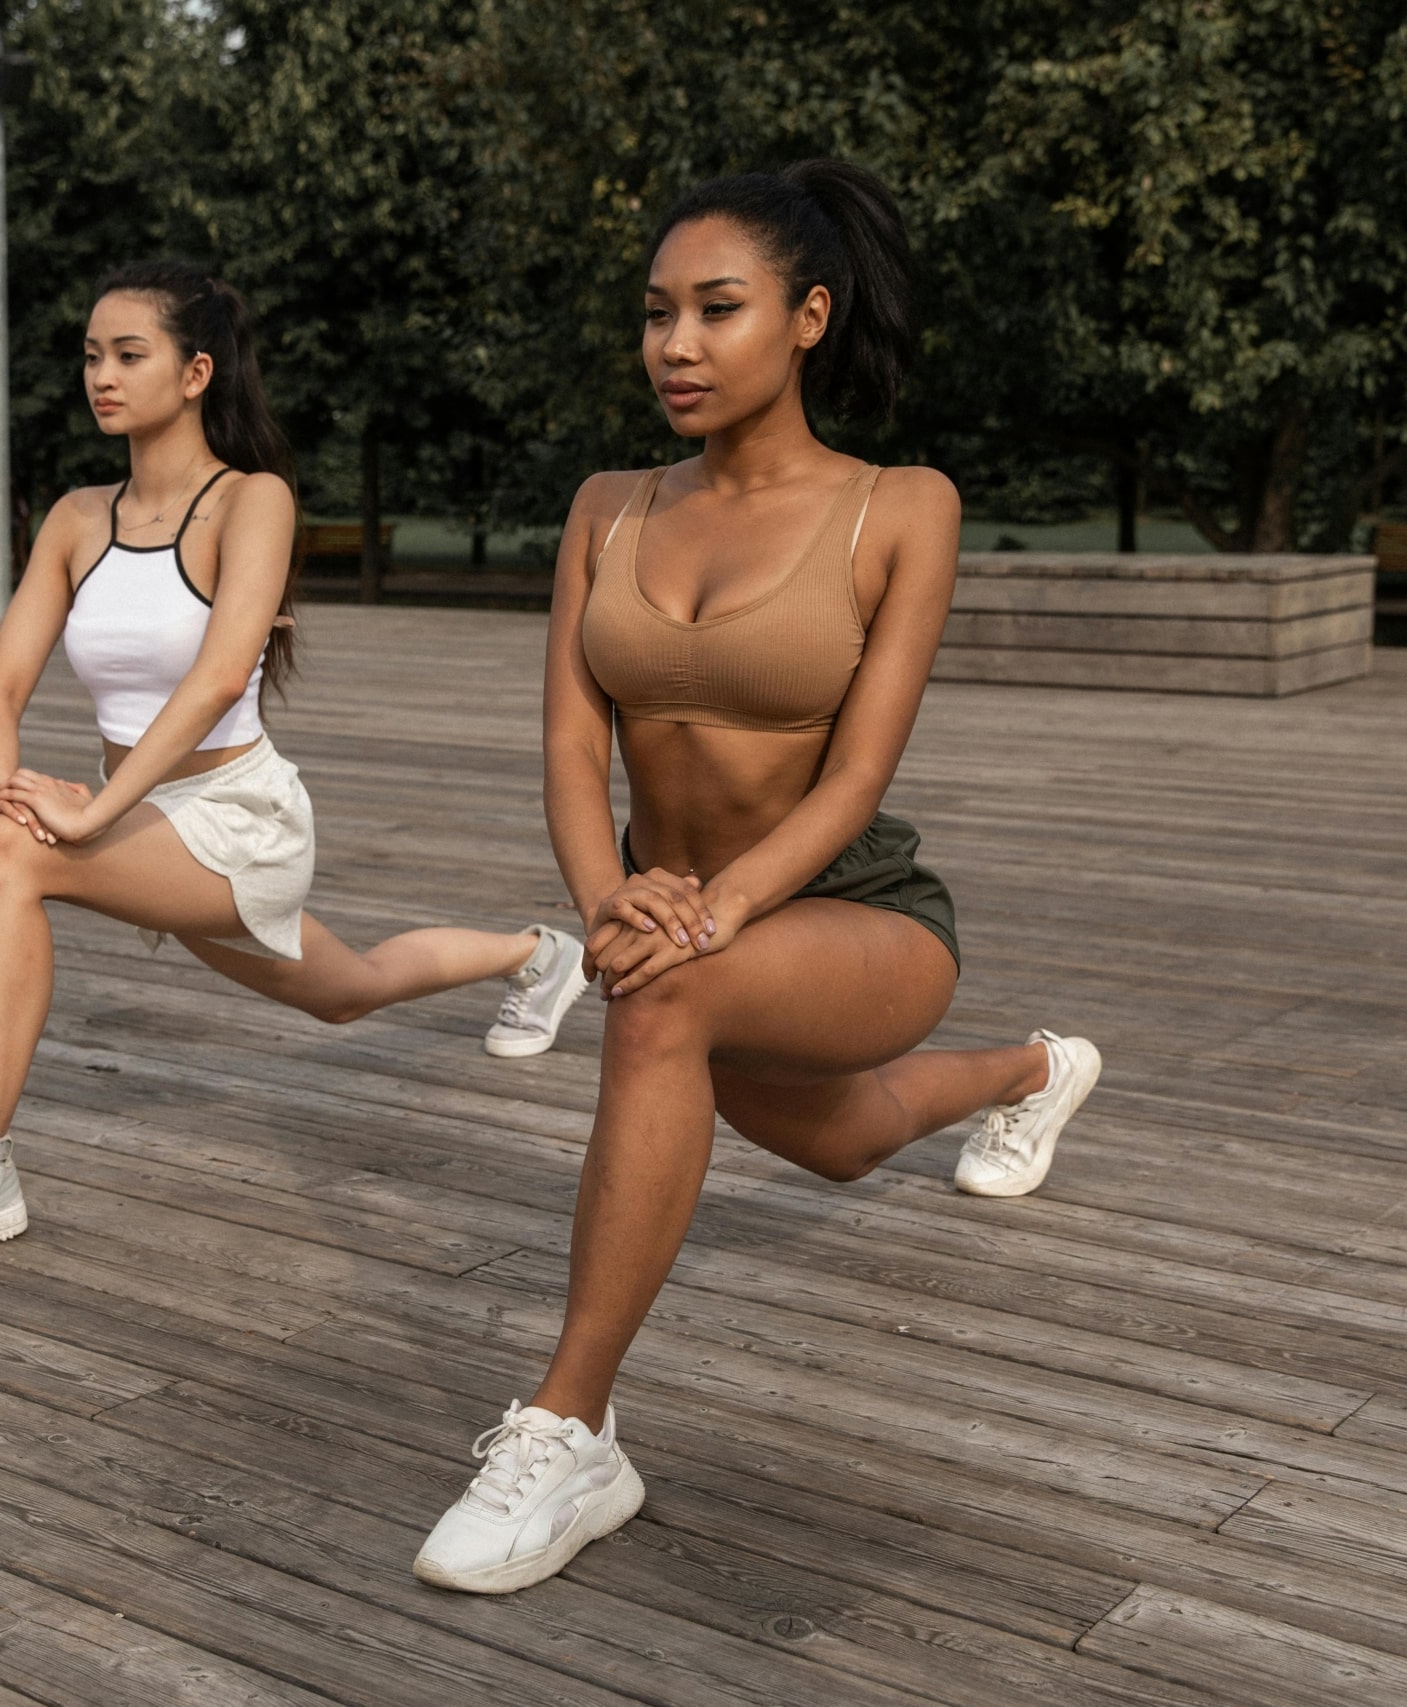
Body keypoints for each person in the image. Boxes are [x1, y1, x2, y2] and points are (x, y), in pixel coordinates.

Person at [411, 162, 1102, 1595]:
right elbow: (563, 741)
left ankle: (571, 1425)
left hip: (849, 910)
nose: (675, 343)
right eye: (657, 312)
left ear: (807, 319)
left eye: (717, 309)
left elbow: (855, 776)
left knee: (665, 1004)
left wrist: (705, 910)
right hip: (668, 909)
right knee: (845, 1139)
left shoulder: (900, 506)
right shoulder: (606, 505)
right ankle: (1034, 1069)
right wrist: (608, 893)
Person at [0, 261, 590, 1273]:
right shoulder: (72, 519)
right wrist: (4, 797)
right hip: (135, 824)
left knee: (18, 858)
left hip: (233, 820)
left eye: (127, 354)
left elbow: (220, 672)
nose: (101, 374)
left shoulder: (252, 502)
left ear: (196, 373)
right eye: (91, 356)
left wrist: (88, 812)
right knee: (347, 991)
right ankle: (539, 955)